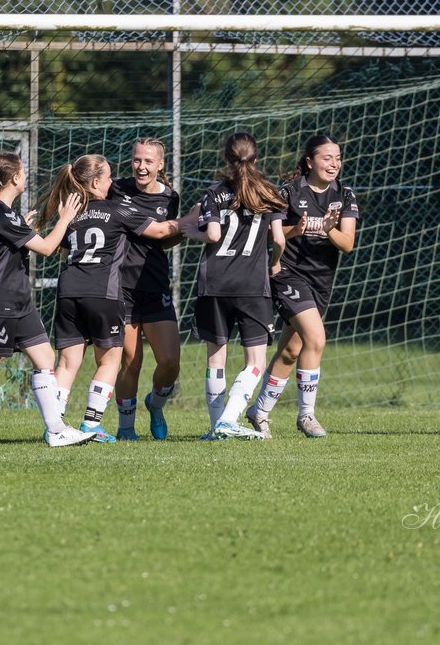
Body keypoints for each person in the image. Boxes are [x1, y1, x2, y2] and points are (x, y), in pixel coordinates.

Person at [0, 151, 96, 449]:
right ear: (15, 178)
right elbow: (45, 248)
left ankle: (56, 431)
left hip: (19, 303)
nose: (26, 176)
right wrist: (65, 218)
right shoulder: (0, 214)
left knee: (45, 359)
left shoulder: (6, 213)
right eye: (24, 172)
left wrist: (28, 226)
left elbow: (16, 244)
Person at [37, 153, 179, 443]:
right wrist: (191, 219)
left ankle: (55, 426)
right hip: (103, 292)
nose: (113, 181)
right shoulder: (117, 209)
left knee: (67, 363)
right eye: (109, 176)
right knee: (111, 360)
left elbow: (62, 246)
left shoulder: (72, 213)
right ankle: (91, 424)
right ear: (98, 181)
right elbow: (162, 229)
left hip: (67, 291)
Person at [247, 135, 359, 438]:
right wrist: (295, 230)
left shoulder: (344, 194)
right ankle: (306, 415)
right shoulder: (288, 192)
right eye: (326, 158)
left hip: (321, 279)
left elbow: (347, 244)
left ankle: (259, 412)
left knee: (291, 350)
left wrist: (328, 229)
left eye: (337, 157)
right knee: (316, 338)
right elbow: (269, 236)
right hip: (288, 274)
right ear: (309, 162)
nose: (333, 163)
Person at [184, 132, 286, 440]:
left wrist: (190, 231)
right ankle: (230, 419)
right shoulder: (269, 192)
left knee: (216, 357)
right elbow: (279, 239)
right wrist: (275, 261)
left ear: (226, 158)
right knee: (255, 360)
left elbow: (212, 236)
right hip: (252, 285)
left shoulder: (214, 192)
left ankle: (217, 427)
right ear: (256, 158)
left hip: (214, 284)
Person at [109, 138, 183, 441]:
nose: (141, 167)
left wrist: (180, 232)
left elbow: (166, 239)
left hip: (154, 285)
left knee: (170, 362)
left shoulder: (170, 197)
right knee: (130, 361)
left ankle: (155, 403)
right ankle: (126, 427)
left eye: (148, 161)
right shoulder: (115, 189)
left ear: (160, 165)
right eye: (137, 160)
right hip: (120, 287)